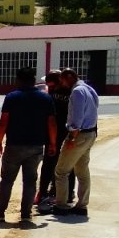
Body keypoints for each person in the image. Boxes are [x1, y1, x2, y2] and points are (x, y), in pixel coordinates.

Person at [0, 67, 56, 223]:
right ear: (33, 81)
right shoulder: (45, 99)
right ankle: (26, 215)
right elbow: (51, 123)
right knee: (30, 181)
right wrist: (52, 143)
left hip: (14, 146)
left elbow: (4, 121)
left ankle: (0, 212)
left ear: (18, 80)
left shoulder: (12, 97)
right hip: (36, 147)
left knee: (6, 180)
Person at [54, 69, 100, 217]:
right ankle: (82, 206)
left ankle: (61, 205)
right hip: (90, 133)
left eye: (62, 81)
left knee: (61, 171)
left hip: (79, 135)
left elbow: (77, 117)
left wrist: (72, 138)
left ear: (69, 77)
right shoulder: (89, 89)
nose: (62, 84)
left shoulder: (77, 92)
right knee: (82, 170)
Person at [36, 70, 74, 214]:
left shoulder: (71, 92)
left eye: (53, 85)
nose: (51, 88)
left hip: (65, 133)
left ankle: (66, 194)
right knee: (49, 164)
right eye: (49, 86)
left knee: (66, 166)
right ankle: (44, 192)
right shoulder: (51, 92)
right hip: (52, 134)